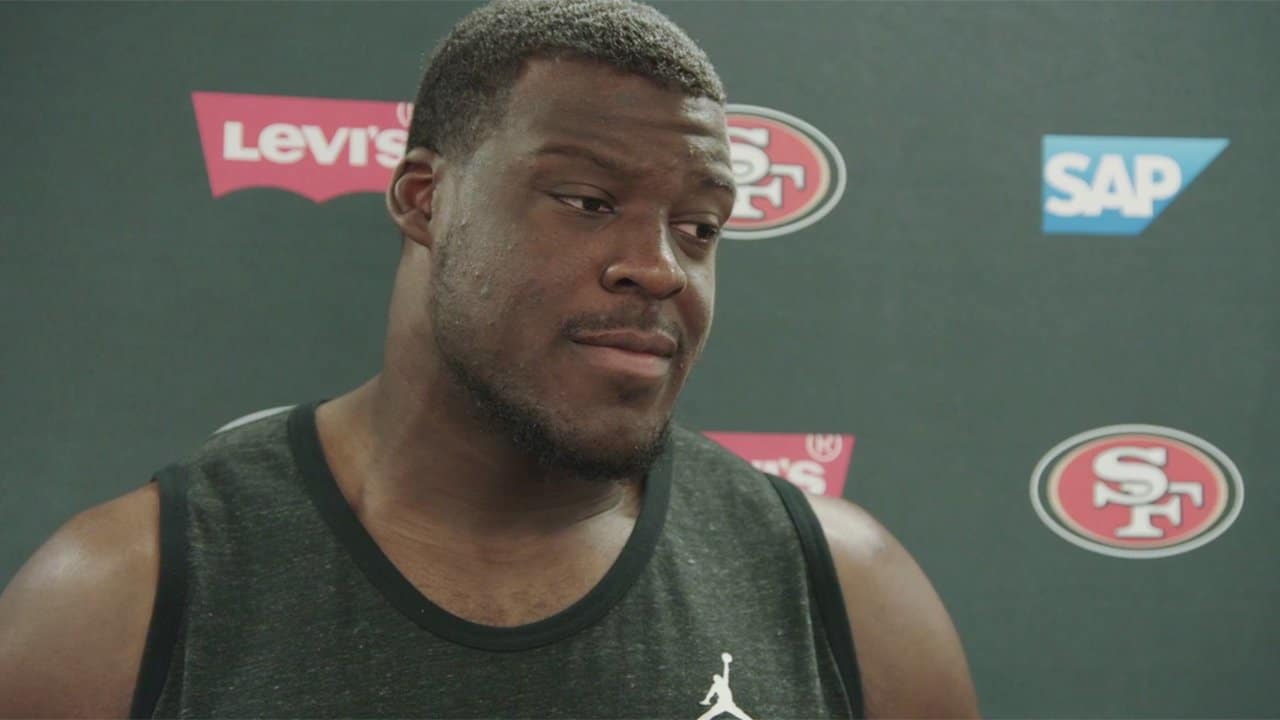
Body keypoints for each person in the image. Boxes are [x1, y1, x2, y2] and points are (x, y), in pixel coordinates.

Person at [0, 0, 980, 717]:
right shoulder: (124, 598)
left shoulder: (845, 592)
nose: (657, 268)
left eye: (698, 227)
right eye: (587, 202)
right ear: (425, 200)